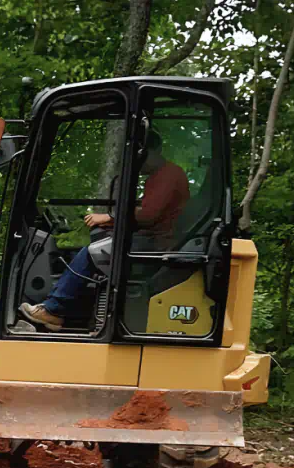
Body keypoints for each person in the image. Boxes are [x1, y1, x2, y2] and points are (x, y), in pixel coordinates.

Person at [19, 131, 188, 331]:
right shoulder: (160, 176)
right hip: (152, 238)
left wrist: (110, 218)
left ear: (148, 151)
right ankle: (69, 313)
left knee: (93, 252)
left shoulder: (169, 175)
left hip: (158, 244)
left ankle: (54, 310)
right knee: (86, 250)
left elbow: (148, 215)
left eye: (137, 155)